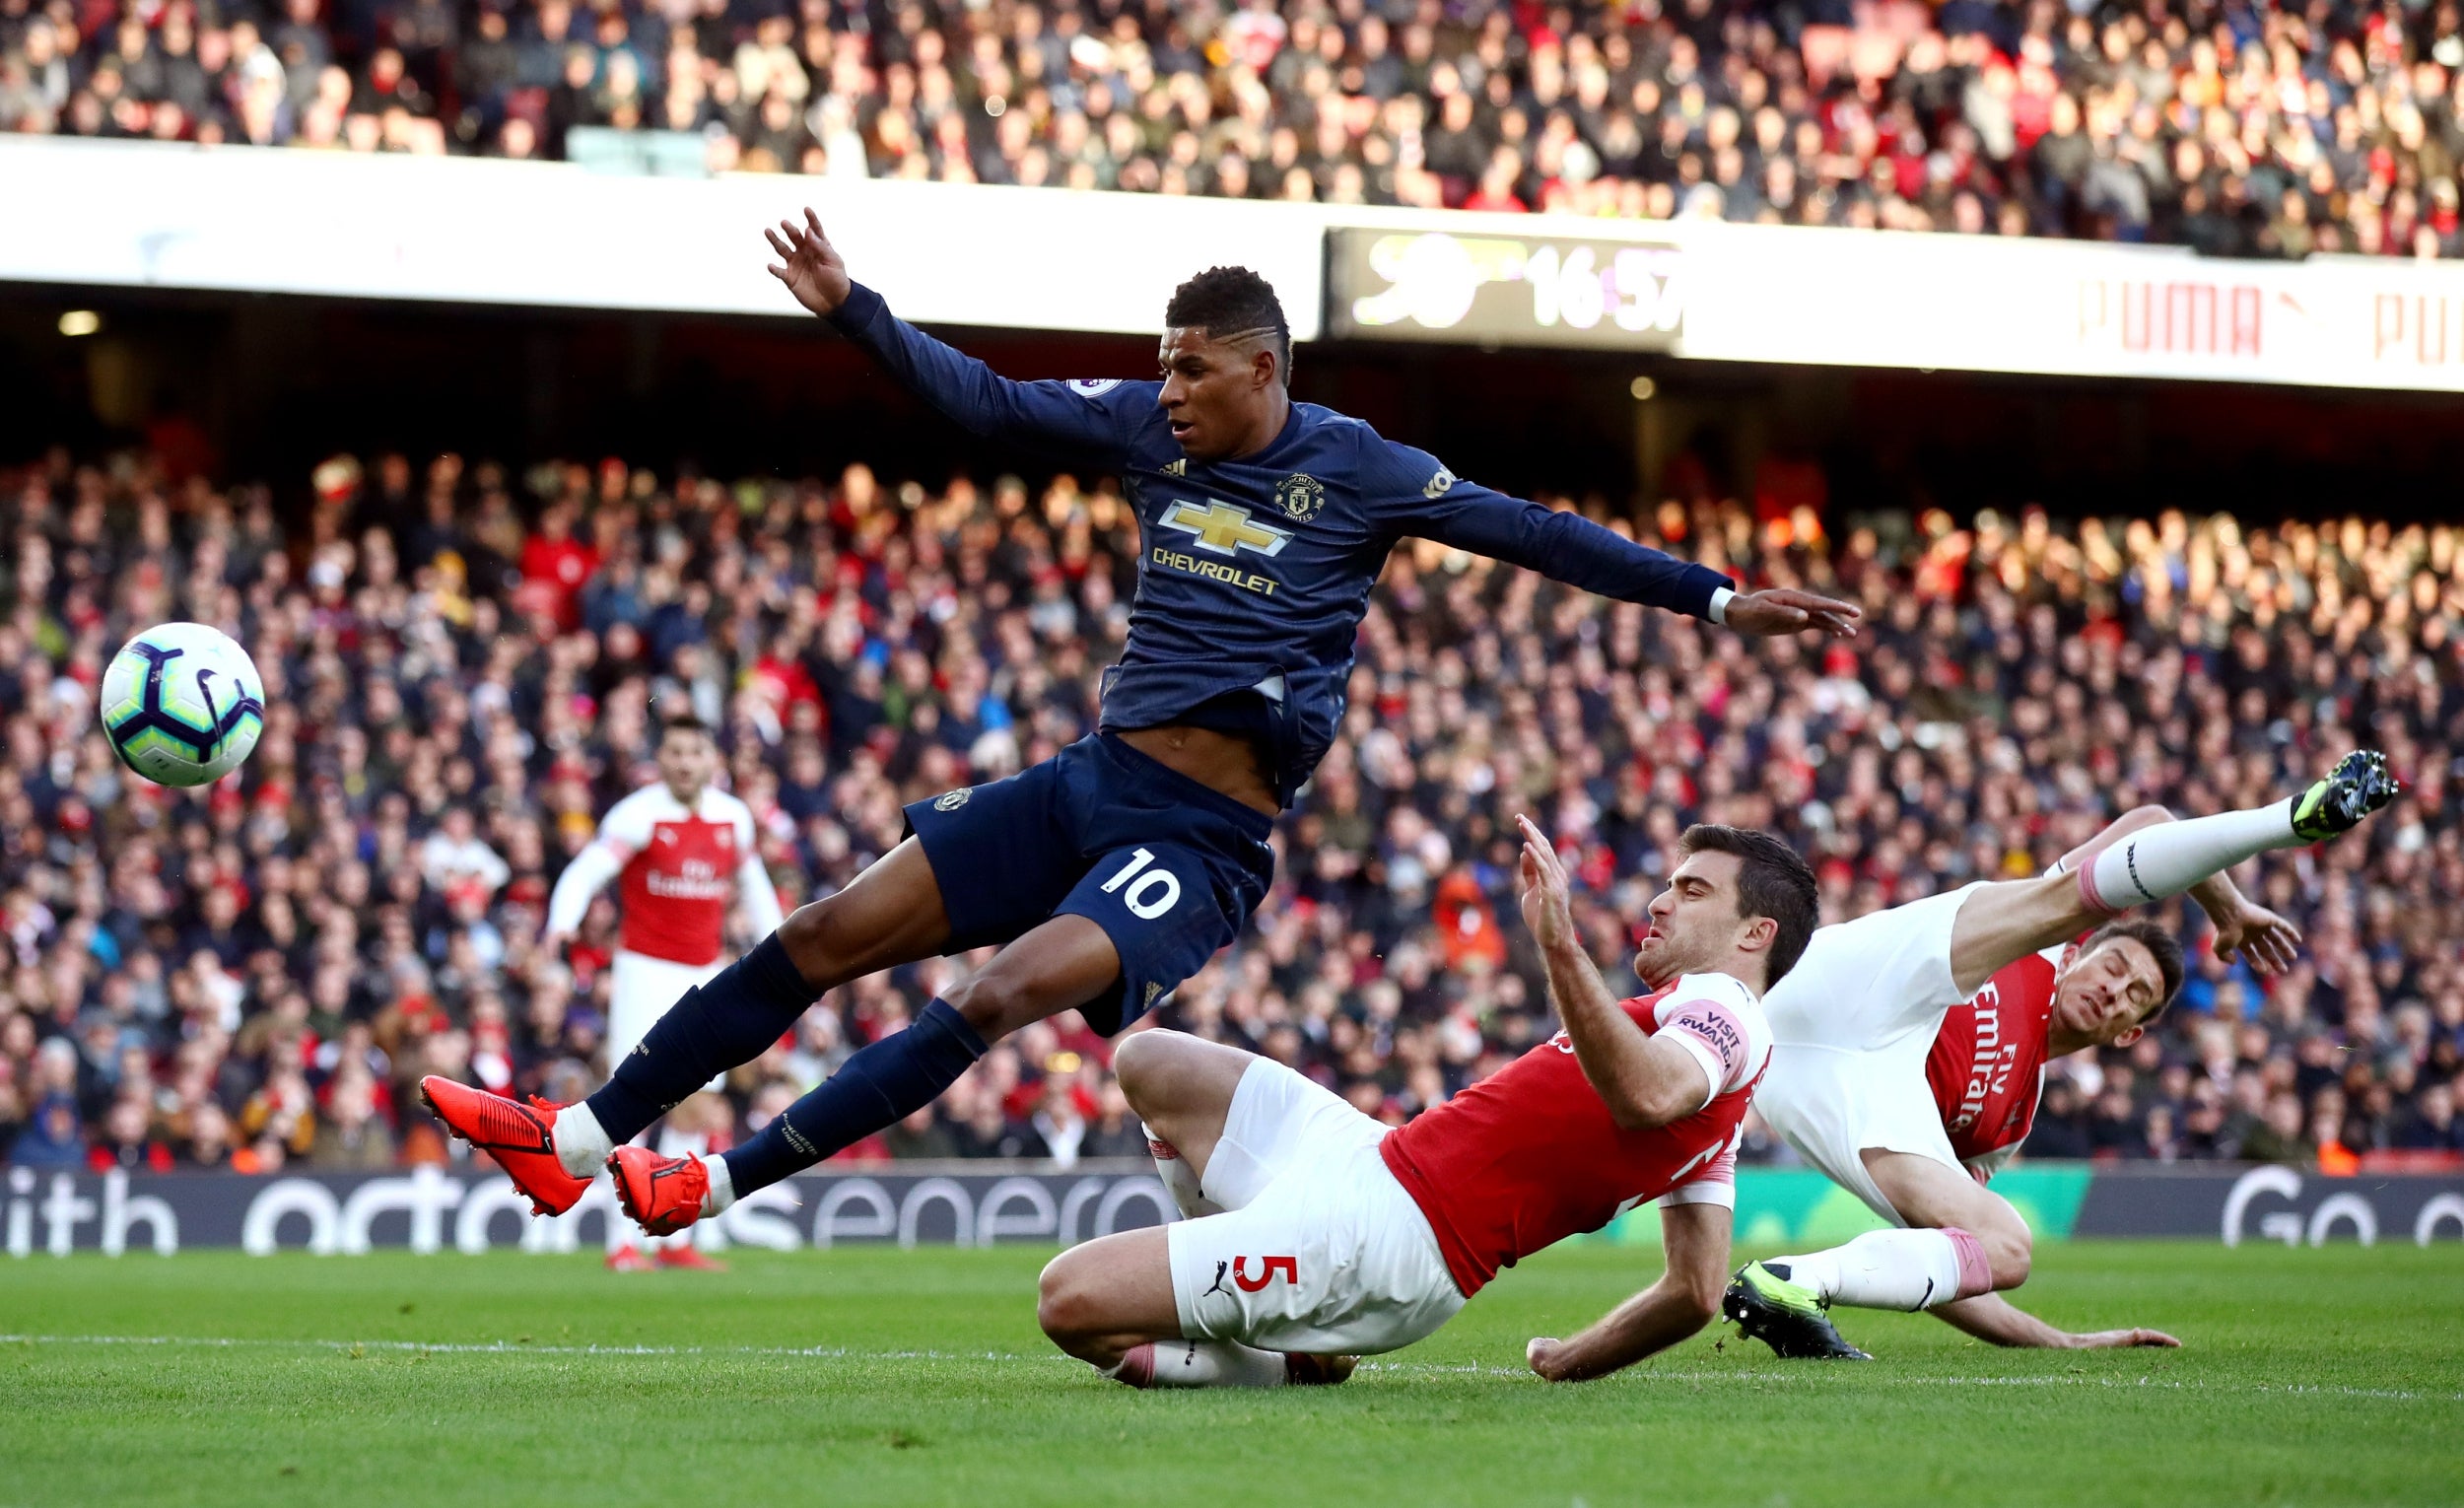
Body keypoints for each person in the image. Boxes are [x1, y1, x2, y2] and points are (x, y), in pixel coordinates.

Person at [420, 208, 1860, 1237]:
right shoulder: (1137, 430)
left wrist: (1719, 600)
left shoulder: (1360, 471)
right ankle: (578, 1139)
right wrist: (855, 310)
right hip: (1084, 784)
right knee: (817, 934)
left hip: (1201, 835)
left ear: (1260, 371)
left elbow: (1535, 533)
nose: (1162, 387)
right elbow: (983, 405)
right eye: (1158, 366)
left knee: (991, 998)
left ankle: (714, 1184)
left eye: (1187, 367)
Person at [1035, 818, 1812, 1387]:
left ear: (1755, 935)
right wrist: (1564, 1361)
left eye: (1692, 890)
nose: (1658, 903)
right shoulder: (1714, 1098)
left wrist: (1558, 944)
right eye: (1670, 883)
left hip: (1390, 1237)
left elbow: (1647, 1094)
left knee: (1070, 1302)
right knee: (1151, 1061)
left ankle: (1281, 1362)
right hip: (1372, 1157)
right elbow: (1694, 1290)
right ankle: (1278, 1311)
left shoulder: (1727, 1010)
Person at [1724, 752, 2396, 1358]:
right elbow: (2150, 821)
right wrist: (2230, 909)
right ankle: (2290, 819)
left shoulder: (2008, 1122)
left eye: (2135, 994)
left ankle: (1795, 1280)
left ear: (2129, 1033)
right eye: (2115, 965)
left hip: (1828, 1088)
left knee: (2009, 1245)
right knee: (2015, 913)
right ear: (2085, 953)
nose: (2114, 989)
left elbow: (1953, 1263)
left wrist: (2063, 1341)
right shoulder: (2047, 945)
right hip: (1843, 987)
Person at [530, 713, 781, 1270]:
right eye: (675, 752)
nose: (686, 762)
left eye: (696, 752)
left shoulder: (731, 819)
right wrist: (562, 920)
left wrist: (782, 950)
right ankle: (621, 1242)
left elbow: (755, 887)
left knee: (698, 1106)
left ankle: (673, 1236)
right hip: (644, 971)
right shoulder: (639, 814)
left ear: (712, 759)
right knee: (631, 1104)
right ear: (660, 759)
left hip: (704, 973)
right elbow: (588, 870)